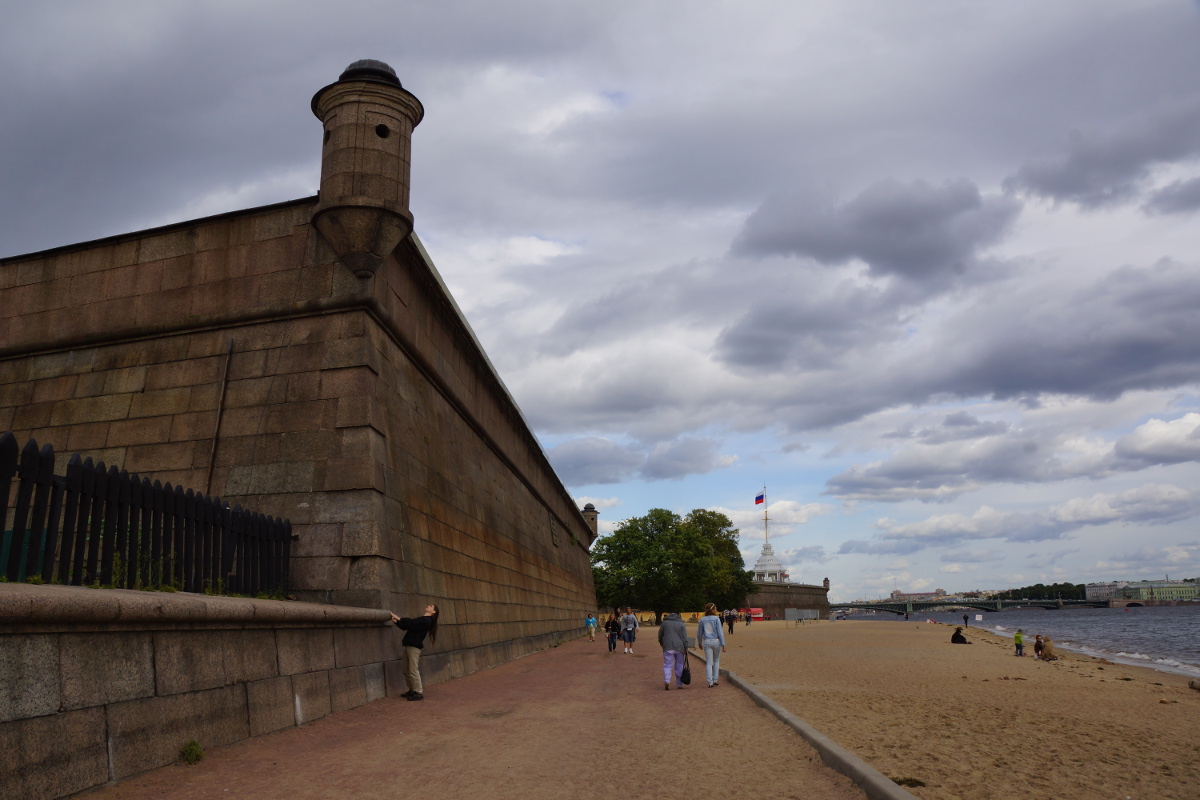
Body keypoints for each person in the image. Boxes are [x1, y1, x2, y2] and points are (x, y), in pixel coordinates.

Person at [389, 603, 439, 702]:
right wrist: (397, 622)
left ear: (433, 612)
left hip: (414, 647)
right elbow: (408, 627)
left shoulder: (426, 620)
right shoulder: (423, 619)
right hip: (409, 645)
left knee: (413, 670)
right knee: (406, 669)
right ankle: (412, 690)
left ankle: (418, 692)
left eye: (431, 606)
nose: (428, 605)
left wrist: (397, 617)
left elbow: (411, 623)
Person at [697, 603, 727, 687]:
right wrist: (723, 643)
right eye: (716, 609)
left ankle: (709, 681)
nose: (716, 611)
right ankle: (715, 679)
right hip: (716, 641)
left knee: (709, 662)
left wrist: (699, 643)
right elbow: (720, 632)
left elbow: (699, 633)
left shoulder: (702, 620)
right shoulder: (716, 619)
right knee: (716, 660)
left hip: (707, 641)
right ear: (712, 610)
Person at [657, 610, 688, 690]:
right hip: (679, 646)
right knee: (679, 665)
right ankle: (679, 683)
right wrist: (686, 646)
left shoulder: (665, 623)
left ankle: (667, 680)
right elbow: (684, 637)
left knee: (667, 665)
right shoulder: (681, 623)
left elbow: (660, 633)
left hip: (668, 646)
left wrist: (661, 641)